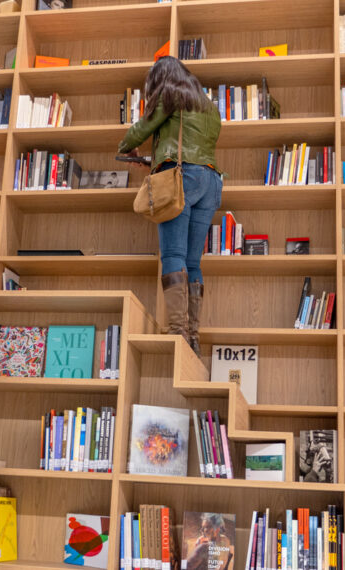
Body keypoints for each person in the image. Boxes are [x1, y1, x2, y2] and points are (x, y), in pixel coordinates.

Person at [118, 56, 222, 354]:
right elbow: (193, 145)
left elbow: (141, 129)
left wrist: (127, 147)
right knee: (193, 261)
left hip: (182, 179)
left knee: (173, 254)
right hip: (211, 181)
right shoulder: (208, 106)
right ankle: (193, 335)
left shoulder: (169, 94)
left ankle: (178, 332)